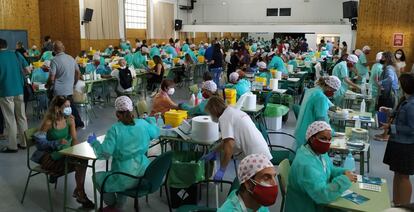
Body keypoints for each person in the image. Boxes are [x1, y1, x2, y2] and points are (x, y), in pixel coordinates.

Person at [87, 96, 159, 210]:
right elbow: (155, 133)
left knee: (97, 177)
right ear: (131, 110)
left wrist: (94, 143)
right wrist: (150, 120)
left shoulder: (114, 130)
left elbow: (104, 154)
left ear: (117, 114)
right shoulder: (142, 124)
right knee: (118, 177)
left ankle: (112, 204)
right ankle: (119, 205)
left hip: (124, 177)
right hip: (143, 173)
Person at [32, 96, 94, 208]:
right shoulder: (49, 122)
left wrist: (75, 151)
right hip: (50, 156)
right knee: (79, 164)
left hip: (65, 152)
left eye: (69, 106)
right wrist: (56, 143)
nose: (69, 109)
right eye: (65, 106)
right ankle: (81, 193)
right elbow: (40, 144)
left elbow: (74, 138)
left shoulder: (69, 119)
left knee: (83, 160)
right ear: (57, 108)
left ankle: (80, 192)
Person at [285, 121, 356, 212]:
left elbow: (328, 170)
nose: (327, 142)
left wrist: (343, 172)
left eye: (329, 139)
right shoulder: (305, 163)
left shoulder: (318, 153)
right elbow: (322, 195)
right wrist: (345, 180)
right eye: (323, 138)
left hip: (316, 201)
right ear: (311, 138)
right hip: (307, 206)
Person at [203, 96, 272, 180]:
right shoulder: (233, 111)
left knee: (255, 185)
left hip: (255, 156)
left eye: (210, 114)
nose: (211, 116)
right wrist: (215, 151)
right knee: (258, 183)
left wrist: (222, 170)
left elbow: (229, 149)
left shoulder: (224, 118)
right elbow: (227, 140)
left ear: (214, 110)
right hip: (262, 150)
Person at [382, 73, 414, 206]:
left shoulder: (412, 105)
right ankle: (397, 203)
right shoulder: (405, 100)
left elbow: (412, 129)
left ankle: (404, 206)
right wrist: (388, 111)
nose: (398, 86)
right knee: (397, 173)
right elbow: (399, 115)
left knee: (404, 176)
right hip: (397, 142)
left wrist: (392, 127)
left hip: (405, 145)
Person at [0, 39, 31, 152]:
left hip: (5, 92)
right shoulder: (16, 54)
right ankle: (24, 143)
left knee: (10, 119)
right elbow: (28, 70)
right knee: (22, 117)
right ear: (6, 46)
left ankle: (12, 146)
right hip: (19, 90)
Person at [294, 76, 341, 148]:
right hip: (311, 132)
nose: (333, 93)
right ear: (328, 86)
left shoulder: (312, 91)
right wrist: (331, 132)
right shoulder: (320, 97)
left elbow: (326, 103)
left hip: (302, 129)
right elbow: (322, 120)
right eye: (333, 91)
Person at [46, 41, 84, 128]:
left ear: (54, 50)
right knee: (70, 107)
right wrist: (74, 83)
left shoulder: (54, 60)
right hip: (69, 89)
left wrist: (47, 85)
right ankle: (78, 123)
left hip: (59, 91)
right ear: (63, 48)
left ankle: (55, 127)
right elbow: (78, 73)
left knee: (55, 109)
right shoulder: (71, 58)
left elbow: (52, 78)